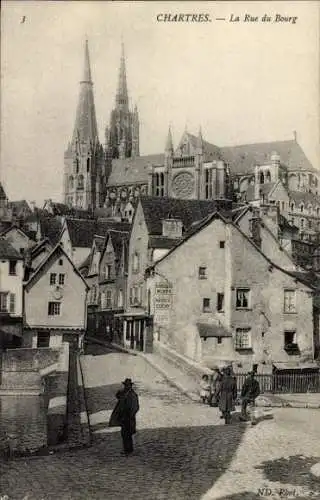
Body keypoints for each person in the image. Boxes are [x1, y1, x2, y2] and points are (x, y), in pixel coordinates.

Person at [116, 378, 140, 455]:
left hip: (129, 417)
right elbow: (117, 395)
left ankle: (128, 450)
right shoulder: (124, 393)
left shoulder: (133, 395)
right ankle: (127, 449)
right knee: (124, 433)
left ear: (130, 386)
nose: (126, 386)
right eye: (125, 385)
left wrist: (131, 415)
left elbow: (136, 407)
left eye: (128, 385)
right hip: (124, 417)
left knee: (128, 434)